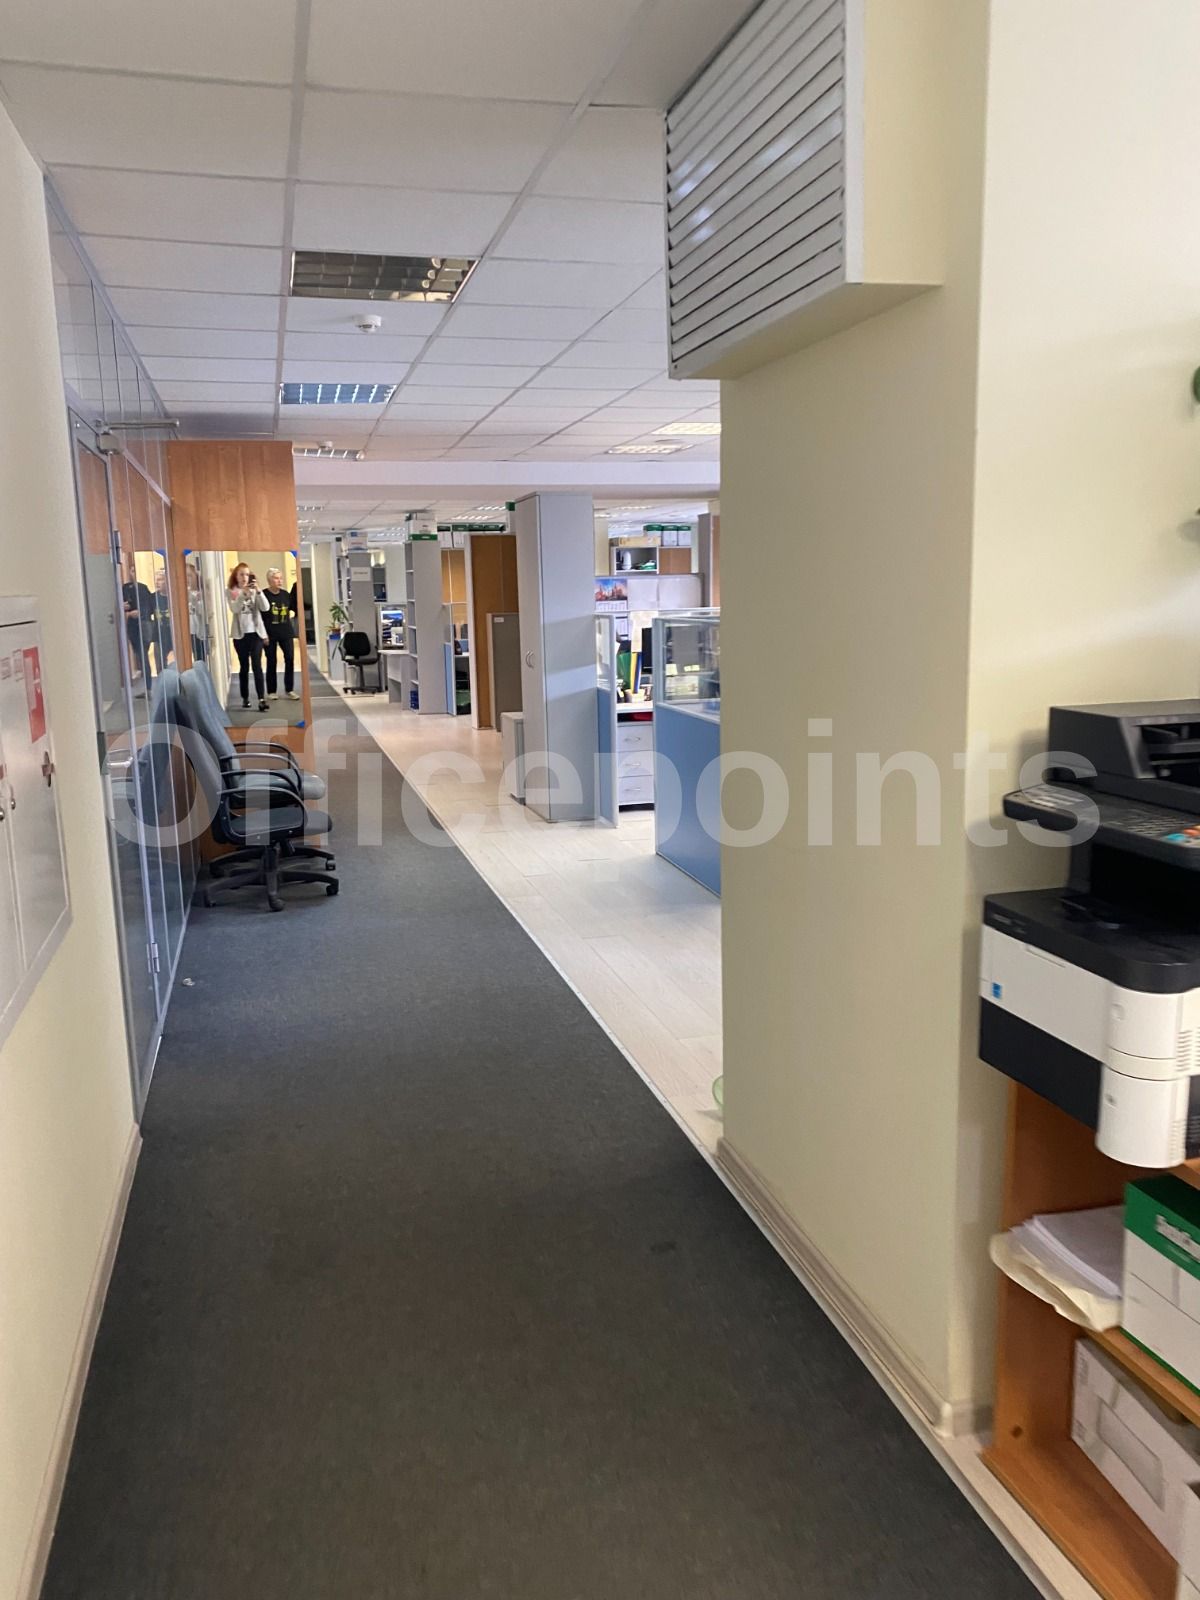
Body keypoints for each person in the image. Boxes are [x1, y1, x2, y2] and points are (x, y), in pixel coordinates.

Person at [226, 563, 269, 711]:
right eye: (241, 574)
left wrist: (258, 591)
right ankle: (245, 697)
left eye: (247, 574)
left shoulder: (255, 591)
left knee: (257, 665)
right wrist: (243, 594)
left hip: (256, 634)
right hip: (240, 635)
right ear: (236, 576)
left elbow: (265, 608)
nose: (244, 577)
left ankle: (261, 699)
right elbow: (234, 609)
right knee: (244, 666)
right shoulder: (231, 591)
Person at [262, 567, 300, 701]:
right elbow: (259, 617)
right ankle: (272, 691)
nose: (280, 581)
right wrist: (263, 635)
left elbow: (295, 608)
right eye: (276, 578)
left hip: (286, 632)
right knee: (271, 660)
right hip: (270, 633)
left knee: (289, 659)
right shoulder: (264, 595)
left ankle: (289, 689)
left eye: (281, 578)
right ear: (269, 580)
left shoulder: (285, 594)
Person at [121, 564, 154, 695]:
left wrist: (141, 613)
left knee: (143, 655)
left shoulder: (143, 588)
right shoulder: (125, 589)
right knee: (140, 655)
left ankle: (149, 688)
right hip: (132, 627)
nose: (134, 573)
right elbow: (119, 607)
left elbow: (150, 607)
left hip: (144, 625)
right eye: (132, 571)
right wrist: (128, 613)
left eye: (136, 571)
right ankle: (148, 687)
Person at [149, 568, 173, 675]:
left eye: (160, 580)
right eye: (156, 580)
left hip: (172, 634)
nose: (156, 582)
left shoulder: (173, 596)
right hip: (159, 635)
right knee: (160, 663)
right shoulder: (152, 597)